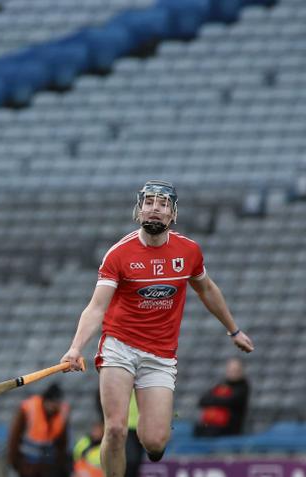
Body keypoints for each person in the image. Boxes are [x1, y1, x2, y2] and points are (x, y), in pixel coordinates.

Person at [60, 180, 254, 477]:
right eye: (149, 202)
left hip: (160, 354)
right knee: (115, 429)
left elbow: (207, 289)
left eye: (163, 204)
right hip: (119, 346)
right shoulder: (119, 254)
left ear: (172, 214)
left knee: (154, 441)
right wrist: (75, 348)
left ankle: (151, 444)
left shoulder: (188, 251)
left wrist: (234, 330)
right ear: (139, 210)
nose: (155, 209)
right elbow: (96, 307)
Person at [6, 383, 72, 477]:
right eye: (52, 402)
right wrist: (15, 463)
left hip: (49, 466)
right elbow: (14, 438)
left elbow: (62, 444)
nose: (54, 407)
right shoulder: (29, 409)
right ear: (46, 400)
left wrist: (61, 466)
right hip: (27, 465)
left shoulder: (62, 414)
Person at [194, 357, 250, 437]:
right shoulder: (222, 384)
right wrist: (217, 400)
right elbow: (202, 400)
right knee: (198, 429)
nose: (232, 372)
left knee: (210, 432)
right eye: (230, 370)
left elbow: (230, 401)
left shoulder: (243, 387)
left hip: (231, 427)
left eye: (235, 370)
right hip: (214, 424)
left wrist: (214, 400)